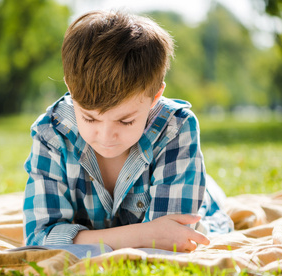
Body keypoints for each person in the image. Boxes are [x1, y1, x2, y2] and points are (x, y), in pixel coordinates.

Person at [23, 10, 233, 253]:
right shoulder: (51, 132)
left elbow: (174, 239)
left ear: (155, 96)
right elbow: (39, 239)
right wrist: (146, 233)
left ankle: (210, 186)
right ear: (70, 88)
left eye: (125, 122)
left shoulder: (175, 127)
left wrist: (81, 239)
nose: (105, 136)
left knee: (209, 195)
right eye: (89, 118)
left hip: (197, 193)